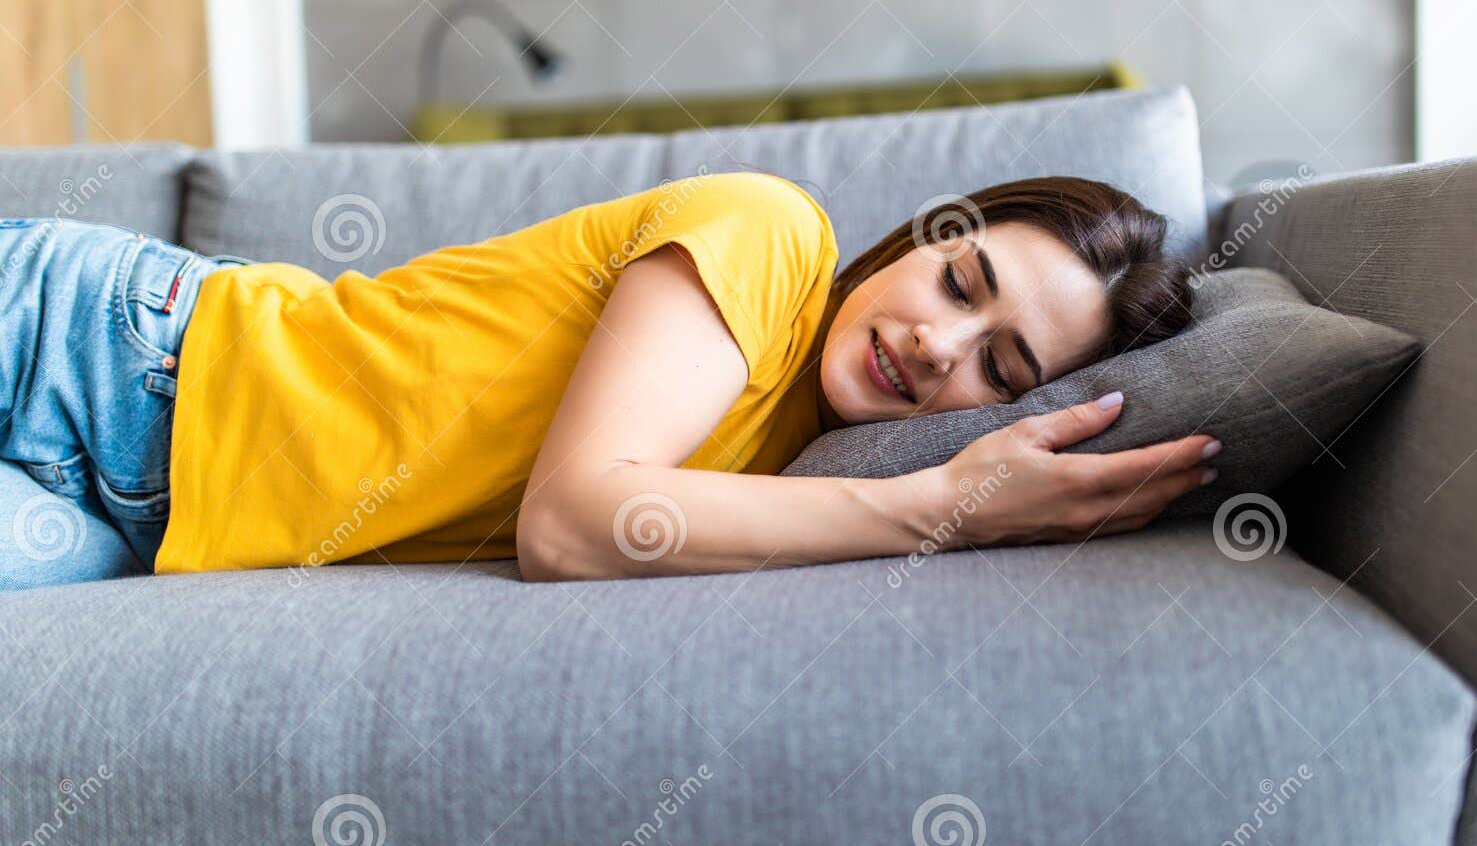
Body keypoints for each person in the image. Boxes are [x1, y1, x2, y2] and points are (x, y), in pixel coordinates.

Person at [0, 170, 1220, 591]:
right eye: (958, 284)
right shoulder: (769, 233)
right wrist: (940, 506)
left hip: (149, 531)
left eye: (998, 368)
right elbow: (573, 519)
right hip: (108, 351)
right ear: (921, 236)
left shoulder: (789, 464)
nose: (937, 348)